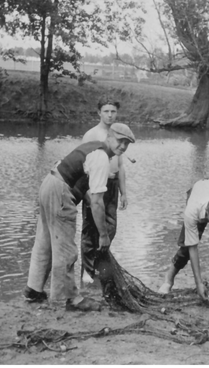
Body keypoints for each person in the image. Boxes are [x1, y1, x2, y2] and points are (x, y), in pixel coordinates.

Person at [23, 123, 136, 312]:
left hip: (48, 184)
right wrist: (103, 235)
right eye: (120, 141)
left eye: (127, 144)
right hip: (59, 191)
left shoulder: (93, 147)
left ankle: (33, 290)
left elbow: (88, 192)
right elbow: (98, 202)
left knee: (44, 243)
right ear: (109, 136)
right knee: (66, 249)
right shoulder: (101, 158)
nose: (123, 147)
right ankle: (70, 299)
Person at [157, 179, 209, 309]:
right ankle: (169, 279)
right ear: (207, 213)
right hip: (197, 191)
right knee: (186, 247)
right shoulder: (192, 211)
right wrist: (198, 283)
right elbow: (192, 246)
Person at [79, 100, 128, 284]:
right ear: (99, 112)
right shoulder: (91, 134)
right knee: (90, 228)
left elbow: (121, 165)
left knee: (111, 227)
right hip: (95, 185)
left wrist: (124, 192)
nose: (109, 115)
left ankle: (98, 264)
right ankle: (87, 272)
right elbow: (83, 163)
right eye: (106, 111)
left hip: (113, 187)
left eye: (113, 111)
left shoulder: (117, 134)